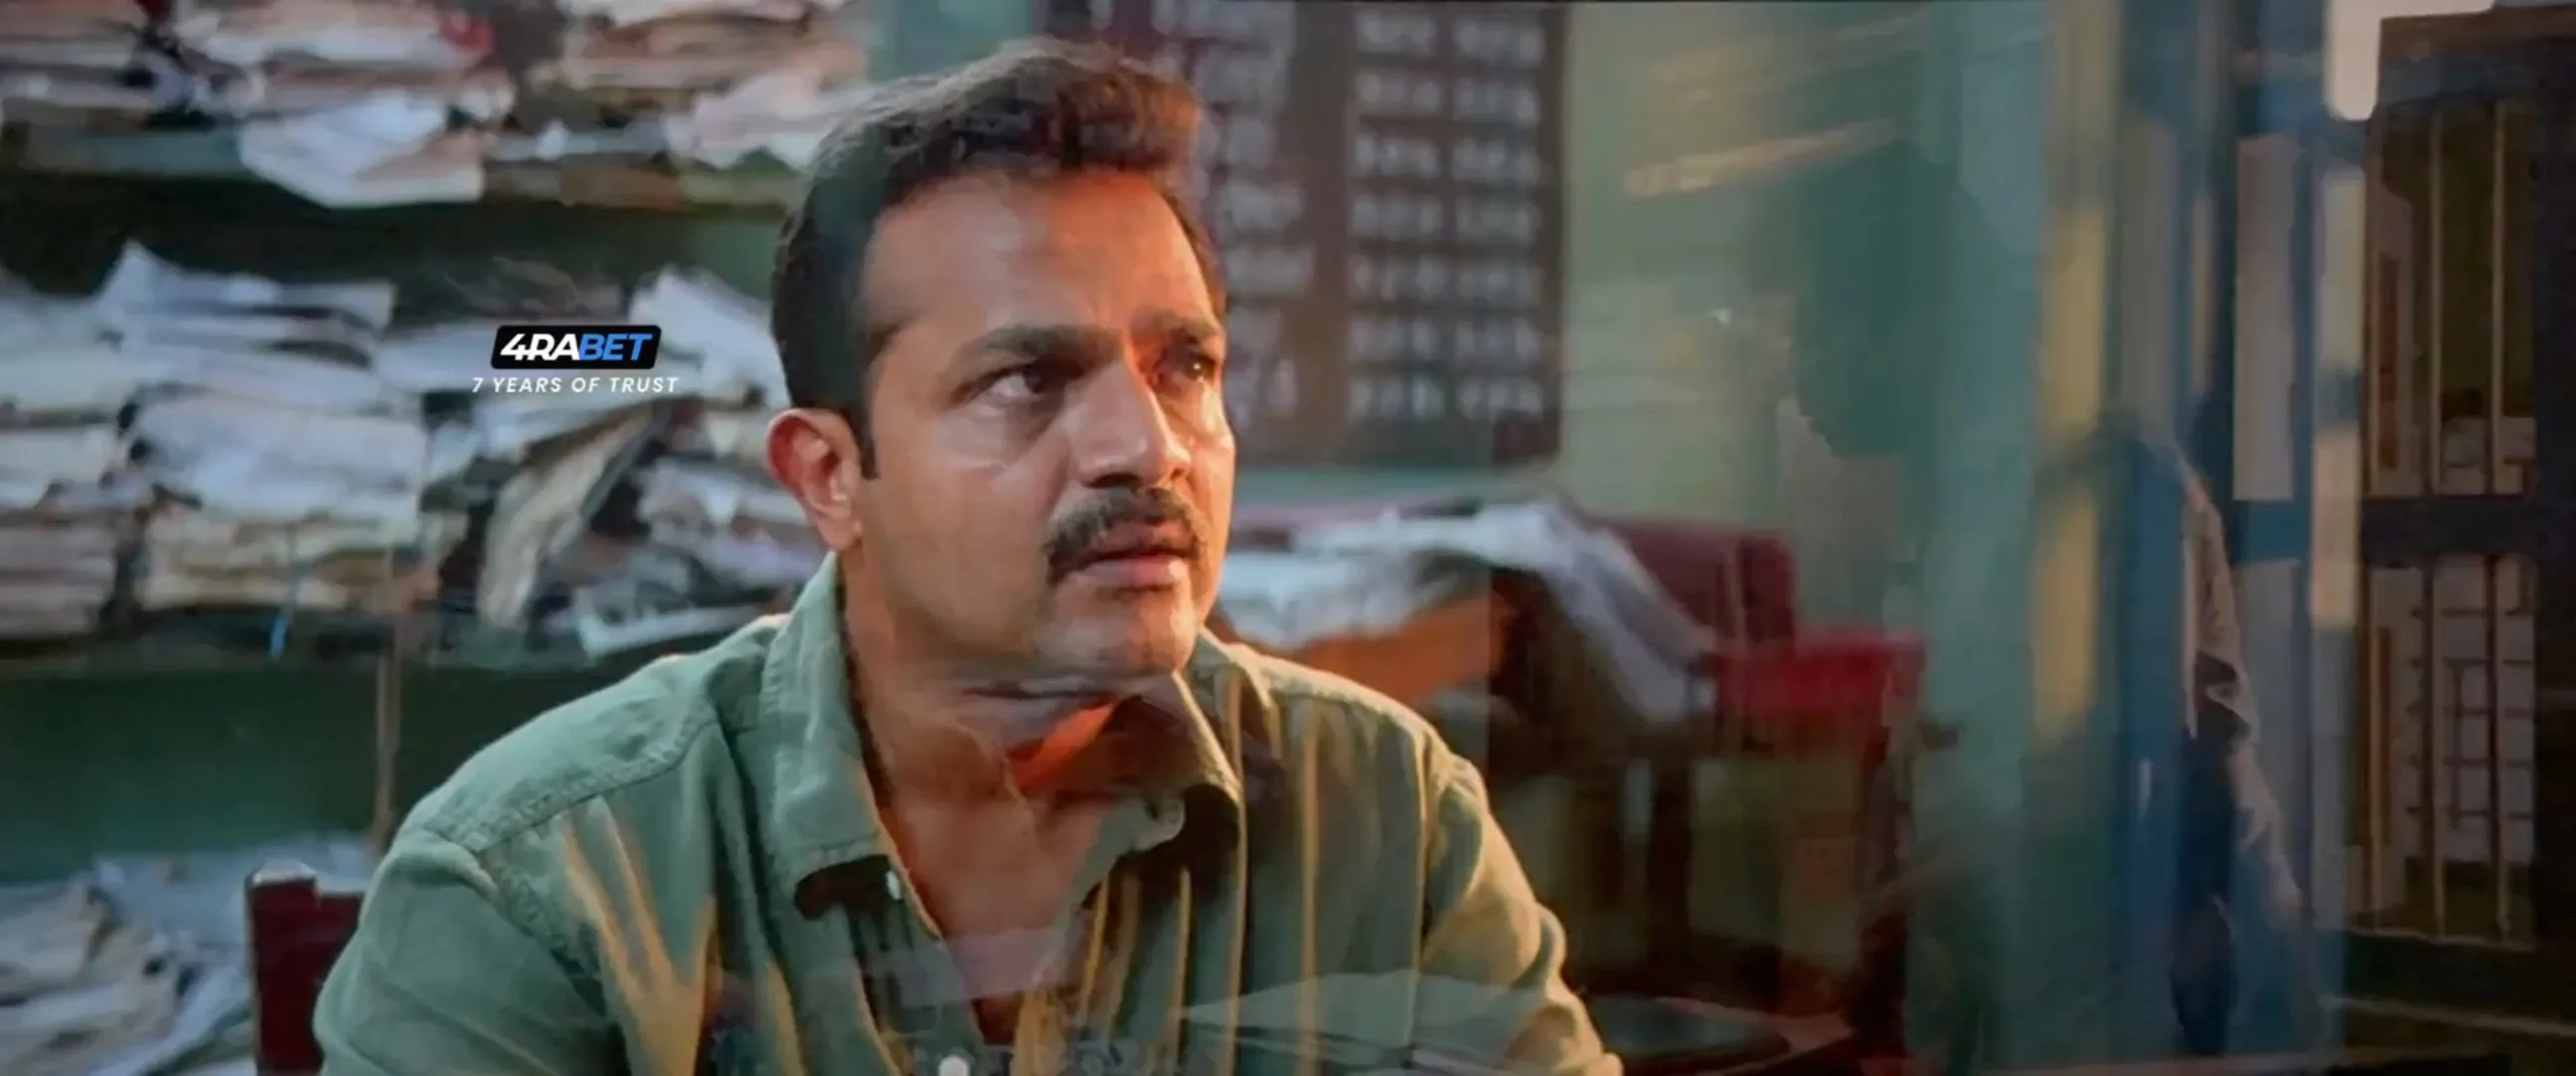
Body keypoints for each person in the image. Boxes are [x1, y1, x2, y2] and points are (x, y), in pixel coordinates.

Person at [313, 39, 1613, 1076]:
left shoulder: (1382, 813)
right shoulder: (544, 885)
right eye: (1027, 379)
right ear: (830, 478)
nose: (1146, 448)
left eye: (1186, 367)